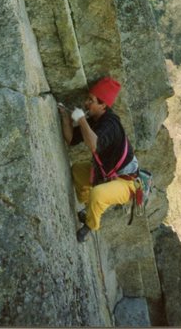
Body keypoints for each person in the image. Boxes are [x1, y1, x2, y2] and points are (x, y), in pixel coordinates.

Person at [58, 77, 138, 243]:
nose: (86, 103)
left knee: (98, 194)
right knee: (77, 171)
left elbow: (94, 144)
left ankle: (90, 226)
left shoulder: (111, 124)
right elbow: (71, 139)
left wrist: (80, 120)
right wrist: (66, 118)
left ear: (103, 105)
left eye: (91, 100)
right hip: (107, 174)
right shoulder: (94, 121)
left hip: (127, 182)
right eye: (88, 98)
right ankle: (89, 208)